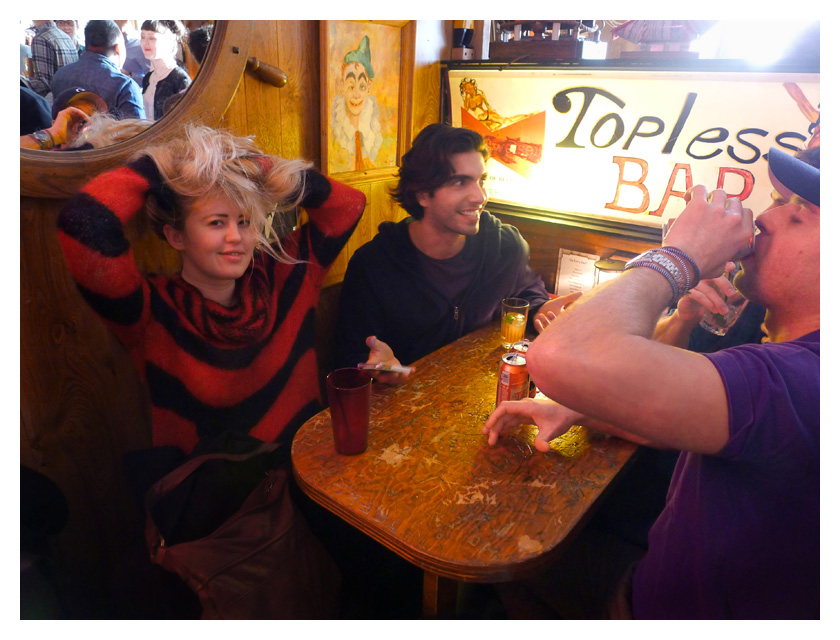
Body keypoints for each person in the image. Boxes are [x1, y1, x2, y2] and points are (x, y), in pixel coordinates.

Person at [484, 146, 820, 619]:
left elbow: (559, 354)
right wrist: (580, 410)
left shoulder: (806, 379)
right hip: (661, 575)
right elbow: (706, 424)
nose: (764, 218)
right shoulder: (792, 365)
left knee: (506, 553)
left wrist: (680, 256)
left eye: (799, 214)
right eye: (779, 201)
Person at [334, 123, 572, 383]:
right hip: (406, 396)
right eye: (459, 182)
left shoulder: (504, 247)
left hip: (477, 388)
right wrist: (381, 368)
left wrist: (539, 308)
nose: (480, 196)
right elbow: (350, 357)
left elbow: (527, 290)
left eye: (481, 181)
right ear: (423, 194)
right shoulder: (374, 264)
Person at [49, 20, 146, 120]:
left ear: (86, 44)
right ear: (118, 48)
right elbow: (137, 128)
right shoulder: (124, 86)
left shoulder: (60, 76)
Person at [330, 35, 383, 171]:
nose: (357, 94)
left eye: (362, 86)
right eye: (351, 86)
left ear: (369, 87)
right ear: (342, 85)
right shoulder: (334, 133)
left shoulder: (375, 133)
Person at [140, 20, 191, 120]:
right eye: (142, 37)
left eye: (152, 37)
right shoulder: (148, 78)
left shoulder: (181, 79)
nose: (145, 42)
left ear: (168, 41)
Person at [29, 20, 79, 97]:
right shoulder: (66, 37)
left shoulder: (41, 38)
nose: (66, 27)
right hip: (69, 98)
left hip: (52, 101)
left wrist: (22, 82)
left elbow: (44, 85)